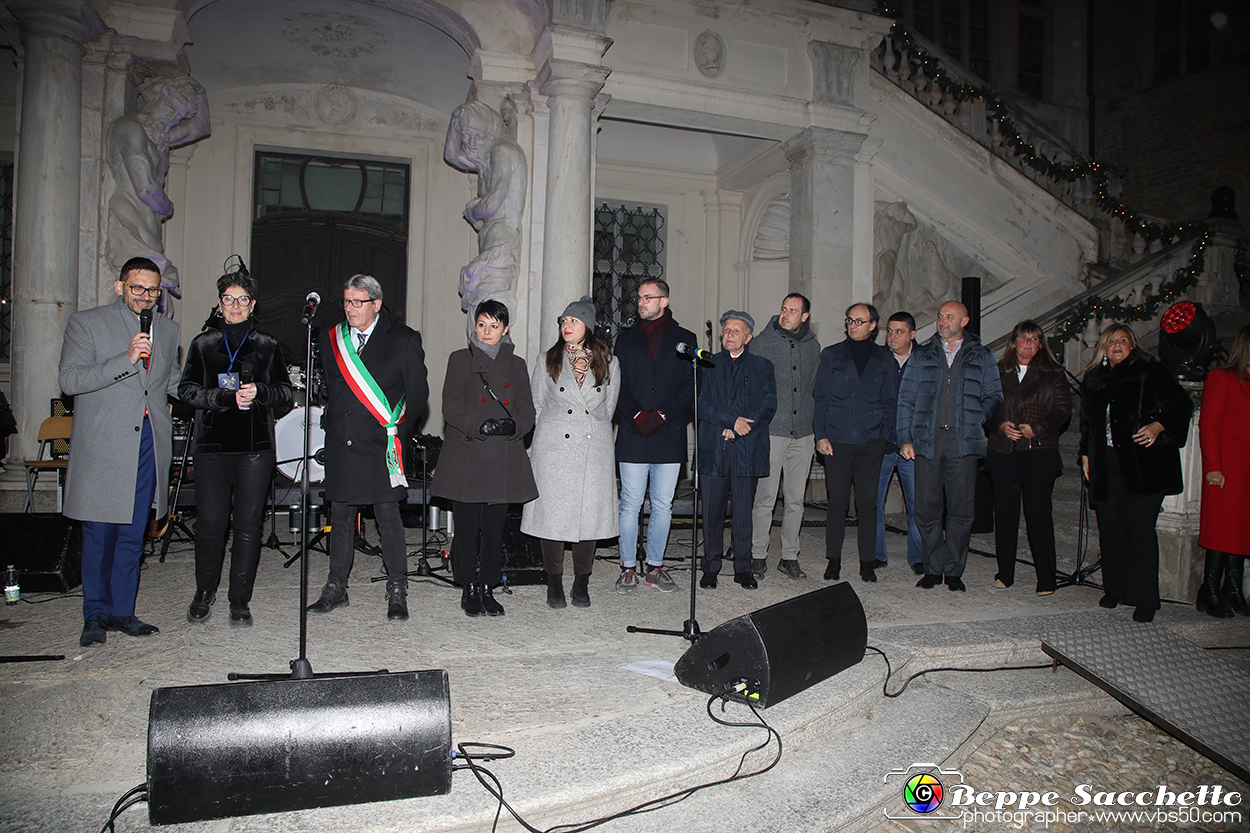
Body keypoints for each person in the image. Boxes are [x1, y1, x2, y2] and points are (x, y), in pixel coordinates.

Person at [58, 257, 181, 647]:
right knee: (100, 532)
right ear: (119, 287)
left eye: (153, 291)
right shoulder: (87, 323)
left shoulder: (167, 330)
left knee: (132, 531)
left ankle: (123, 612)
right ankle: (94, 614)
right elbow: (70, 379)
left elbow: (174, 384)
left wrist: (224, 394)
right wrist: (124, 360)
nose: (146, 298)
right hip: (105, 444)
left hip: (148, 440)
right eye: (137, 289)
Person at [307, 275, 428, 621]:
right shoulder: (332, 339)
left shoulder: (403, 339)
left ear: (376, 304)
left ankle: (397, 588)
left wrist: (395, 431)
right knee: (341, 516)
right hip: (343, 442)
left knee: (388, 518)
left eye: (357, 302)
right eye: (346, 301)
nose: (349, 308)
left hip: (381, 443)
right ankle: (336, 586)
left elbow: (417, 393)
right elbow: (332, 388)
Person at [178, 269, 293, 626]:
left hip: (254, 448)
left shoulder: (267, 345)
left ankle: (239, 599)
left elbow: (286, 394)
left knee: (247, 524)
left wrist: (261, 392)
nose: (236, 305)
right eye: (229, 299)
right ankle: (204, 591)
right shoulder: (203, 344)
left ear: (252, 305)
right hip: (212, 445)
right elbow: (186, 391)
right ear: (220, 304)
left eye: (242, 299)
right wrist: (224, 397)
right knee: (211, 523)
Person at [430, 300, 538, 616]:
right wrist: (479, 424)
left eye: (494, 326)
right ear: (474, 327)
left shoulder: (516, 365)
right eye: (481, 324)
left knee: (494, 529)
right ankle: (468, 586)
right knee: (466, 529)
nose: (487, 331)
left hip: (502, 456)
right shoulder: (460, 360)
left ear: (505, 329)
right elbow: (450, 406)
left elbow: (527, 410)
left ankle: (488, 586)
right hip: (467, 454)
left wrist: (513, 425)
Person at [1079, 324, 1192, 623]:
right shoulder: (1095, 379)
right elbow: (1088, 424)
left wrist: (1158, 425)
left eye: (1123, 340)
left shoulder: (1150, 371)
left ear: (1133, 345)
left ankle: (1145, 599)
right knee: (1111, 527)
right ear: (1103, 347)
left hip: (1145, 464)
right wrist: (1086, 455)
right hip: (1107, 463)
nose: (1116, 345)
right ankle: (1115, 588)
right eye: (1111, 341)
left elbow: (1182, 404)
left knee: (1140, 527)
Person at [897, 301, 1002, 592]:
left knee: (961, 510)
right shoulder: (923, 355)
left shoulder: (982, 355)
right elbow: (905, 399)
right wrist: (905, 438)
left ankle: (954, 570)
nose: (943, 321)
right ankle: (932, 568)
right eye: (940, 316)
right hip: (927, 441)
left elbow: (995, 394)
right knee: (926, 509)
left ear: (964, 321)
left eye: (949, 317)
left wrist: (977, 415)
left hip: (962, 441)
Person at [522, 297, 620, 609]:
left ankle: (582, 582)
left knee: (588, 518)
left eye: (573, 321)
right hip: (554, 448)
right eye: (563, 321)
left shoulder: (609, 362)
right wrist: (535, 445)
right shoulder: (546, 360)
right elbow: (536, 404)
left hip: (593, 449)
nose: (566, 326)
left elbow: (608, 408)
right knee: (551, 517)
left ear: (587, 326)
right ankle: (553, 582)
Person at [613, 278, 695, 595]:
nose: (641, 302)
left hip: (668, 432)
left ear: (664, 300)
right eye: (639, 298)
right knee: (630, 504)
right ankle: (628, 568)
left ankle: (656, 567)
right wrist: (636, 415)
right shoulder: (625, 340)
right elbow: (617, 384)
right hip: (634, 432)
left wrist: (661, 415)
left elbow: (689, 385)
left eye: (648, 297)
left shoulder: (685, 339)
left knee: (662, 505)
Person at [984, 321, 1072, 595]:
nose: (1028, 344)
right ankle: (1005, 573)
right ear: (1013, 342)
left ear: (1040, 344)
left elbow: (1062, 409)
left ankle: (1046, 578)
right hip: (1004, 451)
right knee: (1006, 516)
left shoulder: (1053, 374)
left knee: (1039, 515)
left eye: (1034, 340)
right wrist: (999, 426)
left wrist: (1039, 429)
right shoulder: (997, 372)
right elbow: (984, 405)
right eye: (1024, 338)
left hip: (1039, 452)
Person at [813, 303, 897, 583]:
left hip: (871, 439)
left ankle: (867, 562)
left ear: (873, 325)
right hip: (837, 439)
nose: (853, 325)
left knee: (868, 504)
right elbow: (821, 397)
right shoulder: (831, 354)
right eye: (850, 320)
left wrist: (884, 433)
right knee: (837, 503)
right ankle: (833, 561)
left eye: (860, 321)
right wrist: (821, 435)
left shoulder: (885, 358)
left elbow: (890, 400)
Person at [697, 311, 777, 590]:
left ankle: (743, 568)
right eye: (726, 330)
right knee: (712, 511)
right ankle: (711, 567)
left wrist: (741, 426)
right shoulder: (707, 364)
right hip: (714, 446)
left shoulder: (762, 366)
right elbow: (702, 404)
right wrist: (730, 421)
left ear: (748, 337)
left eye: (736, 330)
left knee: (744, 512)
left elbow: (767, 405)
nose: (729, 334)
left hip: (747, 448)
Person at [748, 293, 820, 580]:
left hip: (802, 433)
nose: (785, 314)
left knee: (796, 500)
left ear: (804, 317)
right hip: (772, 431)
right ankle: (757, 555)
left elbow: (812, 387)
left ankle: (789, 556)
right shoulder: (763, 342)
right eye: (783, 309)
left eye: (793, 311)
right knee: (765, 497)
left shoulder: (813, 347)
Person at [1196, 324, 1250, 617]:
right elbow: (1210, 424)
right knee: (1222, 531)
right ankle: (1210, 590)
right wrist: (1213, 467)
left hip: (1247, 471)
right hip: (1226, 470)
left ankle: (1233, 589)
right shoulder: (1222, 377)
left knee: (1242, 533)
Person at [875, 312, 923, 574]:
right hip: (881, 444)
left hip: (912, 446)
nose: (892, 337)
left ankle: (918, 557)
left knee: (917, 505)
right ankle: (876, 555)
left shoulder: (925, 361)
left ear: (912, 335)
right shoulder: (879, 359)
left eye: (899, 331)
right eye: (890, 331)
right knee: (873, 504)